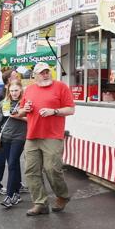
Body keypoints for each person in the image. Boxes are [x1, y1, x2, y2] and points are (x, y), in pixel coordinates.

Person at [13, 62, 75, 216]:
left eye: (47, 71)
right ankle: (40, 203)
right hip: (32, 135)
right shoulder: (29, 90)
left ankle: (62, 196)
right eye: (42, 72)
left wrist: (54, 111)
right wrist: (24, 110)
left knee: (52, 169)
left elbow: (71, 109)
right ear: (35, 76)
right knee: (31, 170)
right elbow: (19, 111)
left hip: (52, 135)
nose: (46, 74)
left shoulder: (61, 87)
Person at [0, 81, 27, 208]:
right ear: (8, 91)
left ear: (21, 90)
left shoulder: (24, 103)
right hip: (6, 136)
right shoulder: (4, 103)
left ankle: (9, 195)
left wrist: (16, 115)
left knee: (13, 163)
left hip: (19, 137)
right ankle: (16, 193)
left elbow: (30, 119)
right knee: (13, 165)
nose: (14, 93)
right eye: (12, 91)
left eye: (16, 90)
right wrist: (4, 114)